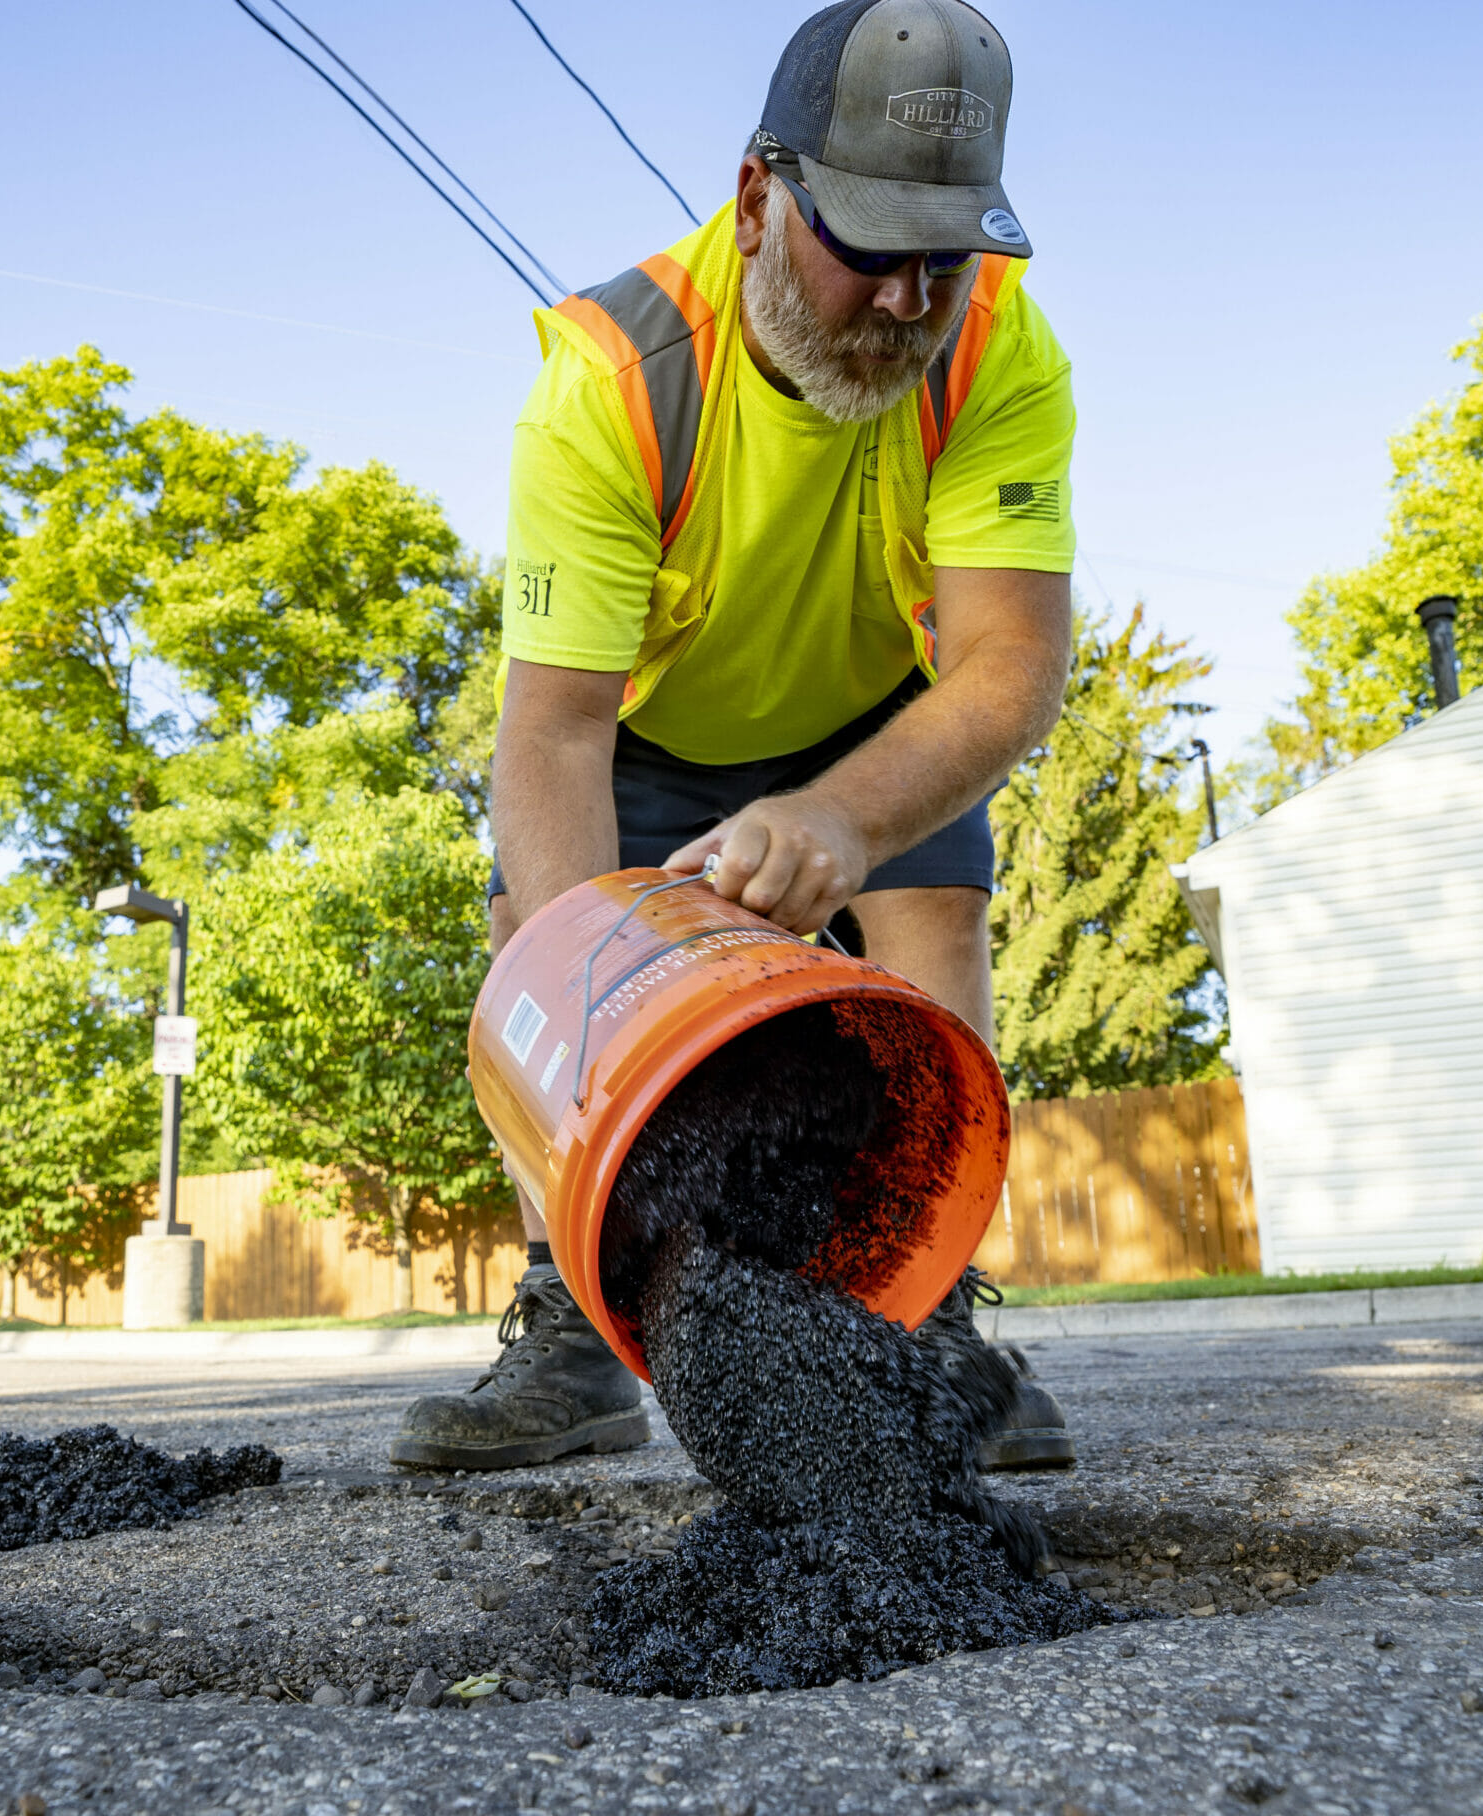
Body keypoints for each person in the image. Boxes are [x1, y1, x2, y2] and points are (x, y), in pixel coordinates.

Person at [391, 0, 1076, 1475]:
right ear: (762, 195)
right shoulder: (616, 377)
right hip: (642, 731)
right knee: (537, 929)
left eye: (943, 259)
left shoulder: (997, 353)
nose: (908, 304)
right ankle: (574, 1331)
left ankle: (929, 1315)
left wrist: (843, 820)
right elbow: (552, 735)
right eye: (871, 251)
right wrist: (613, 997)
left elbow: (1013, 662)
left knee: (932, 907)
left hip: (876, 711)